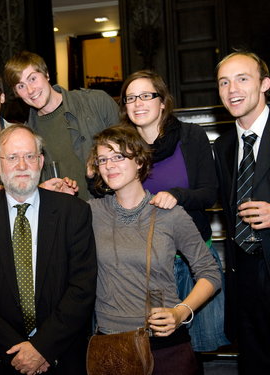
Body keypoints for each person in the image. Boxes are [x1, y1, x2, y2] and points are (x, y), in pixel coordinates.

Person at [0, 125, 96, 374]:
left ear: (41, 161)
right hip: (2, 358)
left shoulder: (74, 212)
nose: (22, 165)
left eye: (29, 156)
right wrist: (16, 349)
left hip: (62, 356)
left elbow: (82, 287)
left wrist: (42, 348)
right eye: (12, 157)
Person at [87, 125, 221, 374]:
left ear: (139, 161)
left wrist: (181, 313)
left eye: (118, 156)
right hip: (111, 345)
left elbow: (210, 272)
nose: (109, 165)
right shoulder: (91, 212)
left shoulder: (169, 214)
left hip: (166, 345)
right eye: (103, 159)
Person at [119, 70, 228, 352]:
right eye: (131, 98)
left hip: (193, 259)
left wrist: (176, 196)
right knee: (161, 351)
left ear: (162, 102)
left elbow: (208, 192)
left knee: (199, 350)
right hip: (149, 262)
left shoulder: (191, 136)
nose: (138, 103)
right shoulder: (122, 147)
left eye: (146, 95)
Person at [213, 51, 270, 374]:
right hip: (243, 276)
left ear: (265, 84)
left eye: (242, 78)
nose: (231, 88)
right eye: (224, 82)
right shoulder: (223, 147)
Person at [3, 51, 119, 200]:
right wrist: (42, 191)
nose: (30, 90)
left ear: (46, 75)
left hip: (113, 212)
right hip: (67, 218)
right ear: (16, 93)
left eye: (32, 79)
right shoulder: (27, 137)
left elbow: (132, 153)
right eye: (21, 86)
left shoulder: (96, 103)